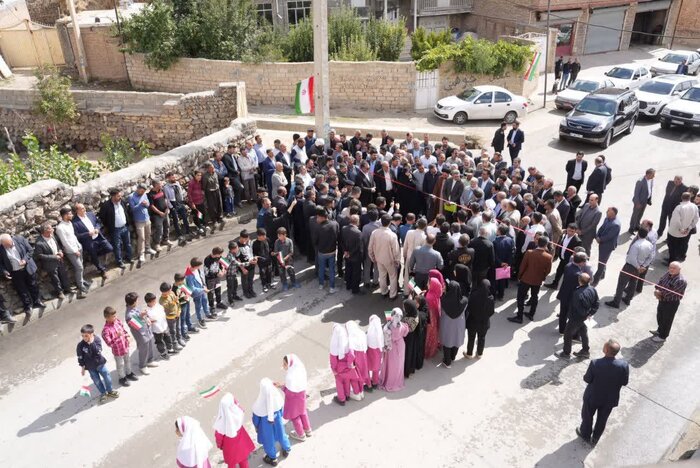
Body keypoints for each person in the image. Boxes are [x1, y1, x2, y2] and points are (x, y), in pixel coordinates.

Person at [576, 339, 629, 446]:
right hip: (610, 399)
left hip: (593, 397)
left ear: (605, 350)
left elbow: (587, 379)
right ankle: (595, 438)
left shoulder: (595, 363)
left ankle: (585, 434)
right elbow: (624, 382)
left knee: (587, 415)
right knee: (602, 419)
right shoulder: (624, 365)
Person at [605, 227, 654, 309]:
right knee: (633, 283)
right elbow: (650, 257)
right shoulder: (650, 245)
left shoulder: (636, 245)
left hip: (630, 267)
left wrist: (638, 267)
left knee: (621, 284)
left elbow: (632, 258)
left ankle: (616, 302)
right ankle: (628, 299)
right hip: (640, 268)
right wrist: (643, 266)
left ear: (638, 234)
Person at [508, 236, 552, 323]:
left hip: (526, 279)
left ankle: (519, 316)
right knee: (534, 297)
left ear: (537, 243)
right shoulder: (548, 256)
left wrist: (520, 276)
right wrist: (542, 276)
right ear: (546, 245)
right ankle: (531, 314)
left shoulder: (529, 253)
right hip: (537, 280)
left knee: (521, 297)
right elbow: (548, 270)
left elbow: (523, 266)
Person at [0, 233, 44, 316]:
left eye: (7, 244)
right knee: (22, 290)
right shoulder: (1, 247)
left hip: (27, 267)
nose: (6, 247)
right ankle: (28, 306)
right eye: (4, 245)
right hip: (15, 272)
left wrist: (24, 260)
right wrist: (4, 271)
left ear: (11, 240)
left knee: (33, 285)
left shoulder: (20, 239)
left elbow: (30, 250)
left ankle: (37, 301)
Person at [558, 273, 599, 359]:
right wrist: (590, 313)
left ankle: (566, 353)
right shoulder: (593, 290)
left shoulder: (577, 293)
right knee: (583, 333)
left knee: (567, 334)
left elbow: (578, 308)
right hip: (586, 317)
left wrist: (585, 314)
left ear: (579, 281)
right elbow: (596, 303)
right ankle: (585, 350)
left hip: (576, 318)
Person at [251, 378, 291, 466]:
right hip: (277, 421)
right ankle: (286, 448)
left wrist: (256, 427)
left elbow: (256, 420)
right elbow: (281, 412)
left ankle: (273, 458)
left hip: (266, 426)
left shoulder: (259, 405)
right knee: (281, 434)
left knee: (268, 440)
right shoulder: (277, 399)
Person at [273, 354, 312, 441]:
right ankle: (308, 430)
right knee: (303, 412)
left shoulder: (290, 377)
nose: (283, 366)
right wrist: (283, 385)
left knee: (295, 417)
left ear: (290, 364)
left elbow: (289, 393)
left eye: (284, 364)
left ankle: (301, 435)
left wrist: (281, 386)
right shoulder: (300, 370)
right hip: (301, 396)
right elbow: (295, 386)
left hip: (293, 400)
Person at [77, 324, 119, 404]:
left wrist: (92, 343)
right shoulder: (80, 345)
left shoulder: (97, 340)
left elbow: (97, 352)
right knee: (96, 381)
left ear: (92, 334)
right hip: (90, 367)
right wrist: (82, 367)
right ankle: (103, 393)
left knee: (107, 377)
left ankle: (110, 390)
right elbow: (80, 357)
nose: (84, 338)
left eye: (86, 336)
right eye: (83, 336)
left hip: (100, 364)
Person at [55, 207, 90, 298]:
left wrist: (79, 246)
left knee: (81, 265)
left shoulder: (70, 223)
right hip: (71, 251)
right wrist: (74, 251)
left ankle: (81, 280)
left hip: (78, 248)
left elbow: (73, 236)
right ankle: (80, 285)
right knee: (79, 267)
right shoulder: (60, 228)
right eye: (69, 214)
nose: (71, 215)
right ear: (65, 215)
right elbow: (65, 242)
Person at [213, 393, 255, 468]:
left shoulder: (220, 424)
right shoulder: (238, 414)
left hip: (229, 447)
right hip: (241, 443)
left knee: (231, 464)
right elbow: (239, 406)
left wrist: (219, 446)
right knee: (243, 461)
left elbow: (218, 437)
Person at [556, 252, 593, 336]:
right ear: (581, 262)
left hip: (564, 293)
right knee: (572, 315)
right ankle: (571, 333)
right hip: (571, 297)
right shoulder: (578, 274)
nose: (585, 263)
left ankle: (561, 330)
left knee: (563, 313)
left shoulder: (568, 266)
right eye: (585, 261)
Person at [101, 306, 139, 388]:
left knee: (128, 361)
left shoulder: (118, 321)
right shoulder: (106, 330)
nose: (115, 317)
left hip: (125, 346)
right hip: (117, 351)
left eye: (115, 315)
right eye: (113, 316)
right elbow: (109, 343)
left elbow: (123, 330)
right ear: (107, 318)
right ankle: (122, 378)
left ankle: (129, 373)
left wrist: (127, 336)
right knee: (120, 365)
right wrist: (116, 337)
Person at [34, 223, 73, 299]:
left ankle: (67, 289)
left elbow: (58, 246)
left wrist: (60, 251)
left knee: (63, 275)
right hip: (50, 264)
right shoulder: (39, 243)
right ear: (45, 231)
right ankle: (60, 292)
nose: (53, 229)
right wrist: (54, 257)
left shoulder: (53, 236)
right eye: (51, 228)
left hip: (59, 260)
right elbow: (40, 255)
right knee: (55, 279)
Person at [72, 203, 112, 277]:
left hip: (98, 237)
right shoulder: (74, 222)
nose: (84, 209)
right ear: (77, 211)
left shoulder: (90, 214)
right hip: (89, 241)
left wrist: (97, 228)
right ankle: (102, 270)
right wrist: (88, 234)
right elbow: (77, 236)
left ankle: (93, 257)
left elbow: (98, 222)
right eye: (82, 209)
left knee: (109, 248)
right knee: (94, 256)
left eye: (84, 208)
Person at [651, 262, 687, 343]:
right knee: (660, 315)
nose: (671, 269)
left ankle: (663, 336)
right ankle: (659, 330)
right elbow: (660, 281)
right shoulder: (668, 273)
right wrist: (657, 289)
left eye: (674, 268)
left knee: (667, 320)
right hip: (662, 299)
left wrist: (659, 294)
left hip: (671, 303)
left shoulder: (681, 281)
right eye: (670, 267)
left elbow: (672, 293)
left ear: (679, 270)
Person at [368, 214, 401, 299]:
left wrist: (372, 257)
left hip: (379, 259)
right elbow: (396, 250)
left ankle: (384, 292)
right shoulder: (392, 235)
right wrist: (397, 260)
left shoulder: (374, 233)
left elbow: (370, 247)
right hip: (390, 260)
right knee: (393, 277)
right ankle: (392, 294)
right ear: (390, 223)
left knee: (382, 276)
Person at [99, 189, 133, 268]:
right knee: (117, 246)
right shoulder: (106, 205)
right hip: (115, 229)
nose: (120, 197)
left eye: (120, 196)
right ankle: (119, 261)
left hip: (124, 227)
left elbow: (126, 212)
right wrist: (109, 226)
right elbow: (102, 217)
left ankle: (129, 257)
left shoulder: (122, 202)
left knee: (128, 243)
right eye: (118, 196)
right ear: (113, 196)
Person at [125, 291, 157, 374]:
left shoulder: (135, 308)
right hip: (141, 335)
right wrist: (141, 316)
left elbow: (142, 317)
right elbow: (134, 325)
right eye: (137, 300)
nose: (138, 301)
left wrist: (148, 319)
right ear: (133, 302)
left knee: (150, 345)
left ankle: (150, 360)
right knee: (143, 350)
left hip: (146, 330)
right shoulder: (129, 315)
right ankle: (142, 366)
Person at [329, 323, 362, 405]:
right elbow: (352, 354)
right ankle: (347, 395)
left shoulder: (334, 344)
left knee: (339, 382)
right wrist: (349, 363)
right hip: (348, 366)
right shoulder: (347, 341)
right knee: (347, 380)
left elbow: (333, 359)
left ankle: (341, 399)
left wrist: (333, 369)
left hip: (339, 368)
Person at [438, 278, 466, 368]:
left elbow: (440, 312)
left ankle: (447, 362)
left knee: (447, 342)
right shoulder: (464, 301)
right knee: (456, 340)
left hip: (447, 324)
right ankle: (453, 357)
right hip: (459, 324)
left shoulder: (444, 300)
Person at [311, 207, 339, 294]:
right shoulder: (335, 224)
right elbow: (337, 236)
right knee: (331, 269)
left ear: (322, 217)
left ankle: (321, 284)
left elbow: (314, 241)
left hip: (321, 252)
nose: (316, 219)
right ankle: (332, 287)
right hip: (332, 251)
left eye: (318, 217)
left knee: (321, 268)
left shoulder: (318, 227)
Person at [465, 279, 495, 358]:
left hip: (473, 321)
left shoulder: (474, 295)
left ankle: (469, 354)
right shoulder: (491, 298)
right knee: (482, 338)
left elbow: (469, 308)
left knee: (471, 338)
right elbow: (491, 312)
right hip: (484, 323)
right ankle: (479, 354)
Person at [592, 207, 622, 286]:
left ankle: (596, 280)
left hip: (607, 246)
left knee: (601, 263)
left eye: (608, 212)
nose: (606, 212)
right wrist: (598, 235)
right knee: (603, 260)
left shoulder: (616, 225)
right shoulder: (607, 218)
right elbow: (602, 228)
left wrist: (600, 239)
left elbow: (609, 236)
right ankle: (602, 274)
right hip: (602, 243)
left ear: (612, 214)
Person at [381, 308, 409, 391]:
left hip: (391, 346)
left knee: (390, 365)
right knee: (399, 364)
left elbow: (385, 336)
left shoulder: (388, 327)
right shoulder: (403, 326)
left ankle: (389, 380)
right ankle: (397, 380)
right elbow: (405, 334)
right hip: (400, 345)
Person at [545, 223, 581, 289]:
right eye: (569, 230)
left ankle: (564, 288)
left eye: (572, 231)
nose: (570, 232)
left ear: (575, 231)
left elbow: (576, 253)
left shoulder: (577, 241)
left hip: (569, 261)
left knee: (567, 275)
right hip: (562, 258)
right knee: (559, 271)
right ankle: (554, 284)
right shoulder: (564, 235)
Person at [667, 192, 699, 263]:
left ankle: (671, 261)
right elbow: (696, 219)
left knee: (672, 246)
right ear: (690, 198)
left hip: (675, 232)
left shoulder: (679, 207)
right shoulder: (694, 207)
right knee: (680, 245)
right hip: (686, 232)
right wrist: (689, 227)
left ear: (681, 198)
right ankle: (677, 258)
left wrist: (681, 229)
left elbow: (676, 221)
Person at [129, 184, 157, 264]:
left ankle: (148, 248)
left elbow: (148, 204)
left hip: (146, 218)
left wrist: (146, 204)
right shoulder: (131, 197)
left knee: (148, 234)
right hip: (138, 220)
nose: (142, 193)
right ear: (138, 189)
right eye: (141, 191)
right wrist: (141, 204)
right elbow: (133, 209)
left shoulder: (144, 194)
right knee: (141, 238)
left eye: (144, 191)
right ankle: (141, 254)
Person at [144, 291, 176, 359]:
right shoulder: (147, 311)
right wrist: (150, 321)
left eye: (155, 300)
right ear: (148, 302)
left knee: (168, 337)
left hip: (164, 325)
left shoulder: (158, 305)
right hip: (157, 329)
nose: (155, 302)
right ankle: (162, 353)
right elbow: (146, 321)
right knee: (159, 341)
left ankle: (170, 349)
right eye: (153, 301)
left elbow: (162, 311)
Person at [164, 171, 193, 243]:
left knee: (184, 217)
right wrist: (171, 207)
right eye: (172, 177)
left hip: (180, 202)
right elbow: (166, 198)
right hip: (173, 204)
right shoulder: (166, 187)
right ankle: (179, 234)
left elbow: (180, 192)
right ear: (168, 178)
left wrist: (182, 200)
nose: (174, 178)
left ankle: (188, 231)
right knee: (176, 220)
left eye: (174, 177)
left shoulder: (177, 183)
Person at [186, 257, 213, 327]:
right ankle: (200, 319)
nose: (200, 267)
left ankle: (207, 314)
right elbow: (192, 288)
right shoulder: (189, 275)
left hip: (202, 289)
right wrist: (203, 290)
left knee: (205, 301)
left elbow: (201, 278)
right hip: (197, 293)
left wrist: (204, 286)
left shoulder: (197, 270)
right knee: (198, 306)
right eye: (199, 265)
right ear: (196, 266)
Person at [346, 321, 370, 394]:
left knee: (358, 373)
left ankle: (359, 391)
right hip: (364, 353)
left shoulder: (350, 336)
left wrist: (349, 363)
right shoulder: (361, 332)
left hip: (357, 355)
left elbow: (351, 351)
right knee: (364, 370)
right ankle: (368, 385)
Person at [160, 281, 186, 349]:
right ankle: (175, 344)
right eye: (169, 290)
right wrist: (174, 301)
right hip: (170, 318)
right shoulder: (162, 300)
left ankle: (179, 339)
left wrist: (179, 308)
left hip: (177, 314)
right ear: (164, 292)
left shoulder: (171, 293)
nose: (170, 291)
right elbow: (168, 307)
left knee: (178, 328)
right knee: (172, 331)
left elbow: (177, 302)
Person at [341, 214, 363, 295]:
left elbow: (341, 241)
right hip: (355, 256)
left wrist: (345, 251)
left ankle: (348, 285)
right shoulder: (358, 233)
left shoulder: (344, 229)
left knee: (348, 270)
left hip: (347, 255)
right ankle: (355, 289)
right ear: (357, 222)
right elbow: (359, 247)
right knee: (356, 273)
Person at [402, 298, 424, 378]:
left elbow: (403, 330)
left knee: (408, 355)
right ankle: (410, 369)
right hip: (414, 338)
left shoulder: (408, 319)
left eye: (404, 307)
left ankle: (406, 371)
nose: (403, 308)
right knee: (411, 354)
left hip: (408, 339)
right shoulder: (416, 313)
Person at [629, 168, 655, 234]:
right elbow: (636, 193)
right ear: (648, 174)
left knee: (640, 214)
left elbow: (650, 189)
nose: (654, 176)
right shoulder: (640, 181)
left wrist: (649, 199)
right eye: (653, 175)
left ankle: (637, 225)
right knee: (635, 215)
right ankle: (631, 228)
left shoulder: (651, 180)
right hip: (639, 202)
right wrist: (637, 203)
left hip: (645, 201)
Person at [147, 180, 172, 250]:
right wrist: (159, 213)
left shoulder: (162, 190)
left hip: (165, 213)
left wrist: (167, 208)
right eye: (160, 184)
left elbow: (165, 199)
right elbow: (152, 206)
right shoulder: (150, 194)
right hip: (157, 215)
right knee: (159, 230)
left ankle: (165, 240)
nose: (161, 185)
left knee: (167, 226)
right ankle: (157, 244)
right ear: (155, 185)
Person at [493, 225, 514, 299]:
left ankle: (495, 295)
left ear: (499, 231)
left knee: (496, 280)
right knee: (502, 280)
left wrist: (500, 263)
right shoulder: (510, 240)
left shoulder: (495, 241)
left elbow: (494, 255)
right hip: (506, 264)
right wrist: (507, 263)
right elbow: (512, 253)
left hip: (498, 264)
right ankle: (501, 295)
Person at [424, 275, 443, 359]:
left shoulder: (429, 296)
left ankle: (428, 351)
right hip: (435, 316)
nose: (427, 284)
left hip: (430, 319)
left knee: (429, 335)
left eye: (429, 283)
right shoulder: (437, 293)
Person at [173, 273, 196, 339]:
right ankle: (184, 333)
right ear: (179, 281)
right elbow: (175, 300)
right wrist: (183, 298)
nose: (183, 281)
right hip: (182, 305)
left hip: (186, 302)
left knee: (188, 315)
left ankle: (190, 326)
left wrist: (187, 295)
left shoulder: (182, 284)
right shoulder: (174, 289)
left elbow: (186, 291)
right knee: (182, 319)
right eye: (182, 280)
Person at [203, 162, 225, 229]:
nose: (213, 168)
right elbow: (204, 186)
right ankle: (214, 220)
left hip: (217, 190)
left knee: (219, 204)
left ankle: (220, 217)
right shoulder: (205, 176)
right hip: (210, 192)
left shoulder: (215, 173)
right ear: (208, 169)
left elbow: (217, 181)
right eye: (211, 167)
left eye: (213, 167)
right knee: (212, 207)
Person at [366, 314, 384, 389]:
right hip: (378, 350)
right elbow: (381, 341)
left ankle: (368, 383)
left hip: (370, 350)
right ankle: (375, 382)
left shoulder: (369, 331)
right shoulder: (380, 331)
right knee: (376, 368)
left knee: (368, 366)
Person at [187, 171, 208, 236]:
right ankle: (199, 227)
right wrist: (192, 203)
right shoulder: (191, 183)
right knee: (197, 215)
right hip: (195, 203)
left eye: (200, 175)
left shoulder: (199, 182)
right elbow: (189, 194)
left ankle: (203, 225)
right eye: (198, 175)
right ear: (195, 175)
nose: (199, 177)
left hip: (201, 201)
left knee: (203, 213)